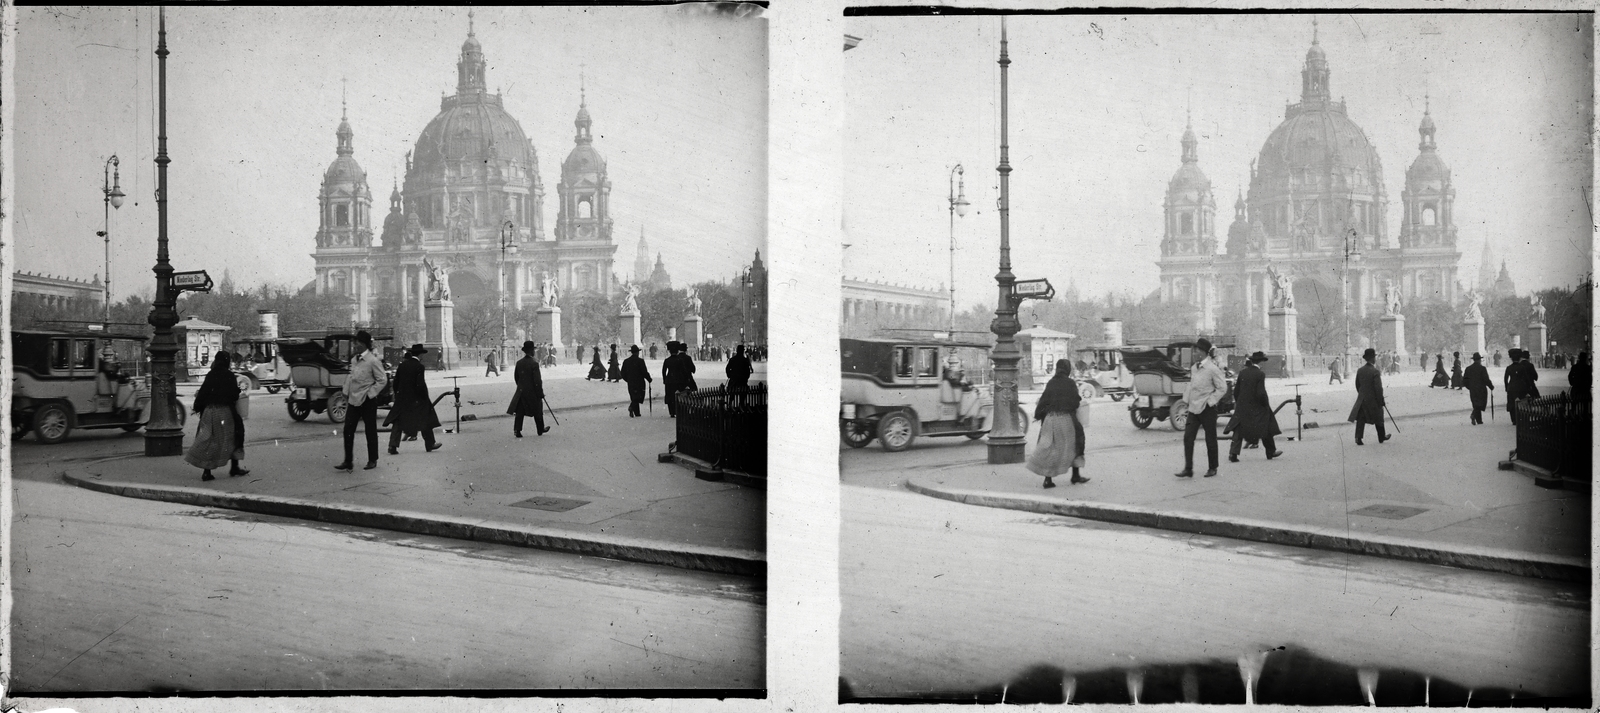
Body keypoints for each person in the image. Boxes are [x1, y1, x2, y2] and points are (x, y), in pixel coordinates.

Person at [185, 352, 248, 481]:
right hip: (225, 412)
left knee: (209, 440)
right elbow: (234, 396)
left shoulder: (210, 375)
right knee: (233, 437)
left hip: (209, 412)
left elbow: (203, 394)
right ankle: (234, 467)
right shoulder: (229, 375)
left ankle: (206, 472)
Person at [1026, 359, 1088, 488]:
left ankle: (1047, 479)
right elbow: (1075, 402)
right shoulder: (1070, 383)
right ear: (1068, 369)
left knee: (1051, 448)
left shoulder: (1051, 383)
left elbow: (1044, 401)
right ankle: (1075, 475)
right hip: (1065, 419)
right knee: (1075, 444)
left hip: (1050, 420)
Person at [335, 330, 388, 471]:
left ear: (364, 344)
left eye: (357, 342)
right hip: (353, 400)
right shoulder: (354, 360)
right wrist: (345, 392)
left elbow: (382, 380)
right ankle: (348, 461)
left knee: (370, 430)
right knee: (348, 430)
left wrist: (370, 394)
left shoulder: (372, 361)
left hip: (367, 401)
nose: (355, 345)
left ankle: (372, 459)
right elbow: (350, 377)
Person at [1175, 338, 1228, 479]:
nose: (1194, 352)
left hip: (1207, 409)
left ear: (1203, 352)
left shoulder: (1212, 369)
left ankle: (1213, 467)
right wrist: (1186, 400)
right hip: (1193, 409)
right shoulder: (1194, 368)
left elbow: (1222, 388)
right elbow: (1191, 385)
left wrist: (1211, 401)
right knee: (1188, 438)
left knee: (1210, 439)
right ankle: (1188, 468)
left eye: (1196, 350)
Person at [384, 344, 444, 454]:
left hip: (402, 398)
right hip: (416, 399)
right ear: (420, 355)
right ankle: (430, 443)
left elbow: (396, 383)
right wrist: (424, 398)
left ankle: (392, 446)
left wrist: (398, 396)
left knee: (398, 421)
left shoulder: (402, 365)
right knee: (425, 418)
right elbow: (420, 385)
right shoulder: (419, 367)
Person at [1226, 351, 1284, 462]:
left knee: (1239, 429)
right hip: (1256, 406)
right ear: (1261, 362)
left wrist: (1240, 403)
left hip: (1243, 406)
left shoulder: (1242, 373)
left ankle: (1233, 454)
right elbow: (1261, 393)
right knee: (1266, 425)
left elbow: (1236, 391)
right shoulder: (1260, 374)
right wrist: (1265, 405)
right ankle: (1270, 451)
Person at [1347, 348, 1389, 446]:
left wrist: (1362, 393)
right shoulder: (1375, 371)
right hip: (1373, 400)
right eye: (1374, 357)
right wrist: (1381, 400)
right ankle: (1381, 436)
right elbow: (1378, 388)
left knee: (1361, 418)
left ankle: (1358, 438)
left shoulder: (1360, 370)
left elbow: (1357, 385)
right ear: (1372, 358)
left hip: (1362, 399)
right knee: (1379, 416)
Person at [507, 340, 549, 437]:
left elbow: (516, 377)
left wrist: (522, 386)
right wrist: (540, 393)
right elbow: (537, 381)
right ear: (531, 351)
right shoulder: (534, 363)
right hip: (532, 392)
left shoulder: (519, 363)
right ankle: (540, 429)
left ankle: (517, 430)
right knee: (538, 410)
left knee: (520, 411)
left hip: (521, 391)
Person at [662, 341, 698, 417]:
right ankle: (678, 410)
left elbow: (663, 371)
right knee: (679, 395)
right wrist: (686, 379)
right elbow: (684, 370)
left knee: (670, 395)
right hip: (679, 380)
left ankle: (671, 411)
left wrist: (665, 380)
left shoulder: (667, 360)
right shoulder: (680, 360)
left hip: (669, 380)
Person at [1505, 348, 1541, 424]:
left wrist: (1507, 388)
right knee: (1523, 403)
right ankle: (1524, 417)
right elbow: (1530, 378)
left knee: (1512, 403)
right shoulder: (1524, 367)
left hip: (1511, 387)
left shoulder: (1509, 367)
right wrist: (1528, 387)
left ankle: (1514, 420)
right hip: (1522, 387)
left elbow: (1505, 379)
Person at [1462, 352, 1494, 425]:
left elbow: (1464, 380)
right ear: (1479, 360)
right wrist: (1491, 386)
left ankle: (1478, 420)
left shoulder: (1468, 368)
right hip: (1482, 389)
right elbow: (1486, 379)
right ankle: (1476, 418)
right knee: (1481, 404)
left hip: (1473, 389)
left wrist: (1470, 387)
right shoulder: (1482, 368)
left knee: (1476, 404)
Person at [620, 344, 652, 417]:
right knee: (639, 396)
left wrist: (627, 379)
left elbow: (622, 373)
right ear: (638, 352)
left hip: (631, 382)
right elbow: (644, 372)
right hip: (640, 382)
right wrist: (649, 379)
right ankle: (632, 408)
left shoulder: (626, 361)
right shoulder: (640, 361)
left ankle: (637, 412)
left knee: (634, 396)